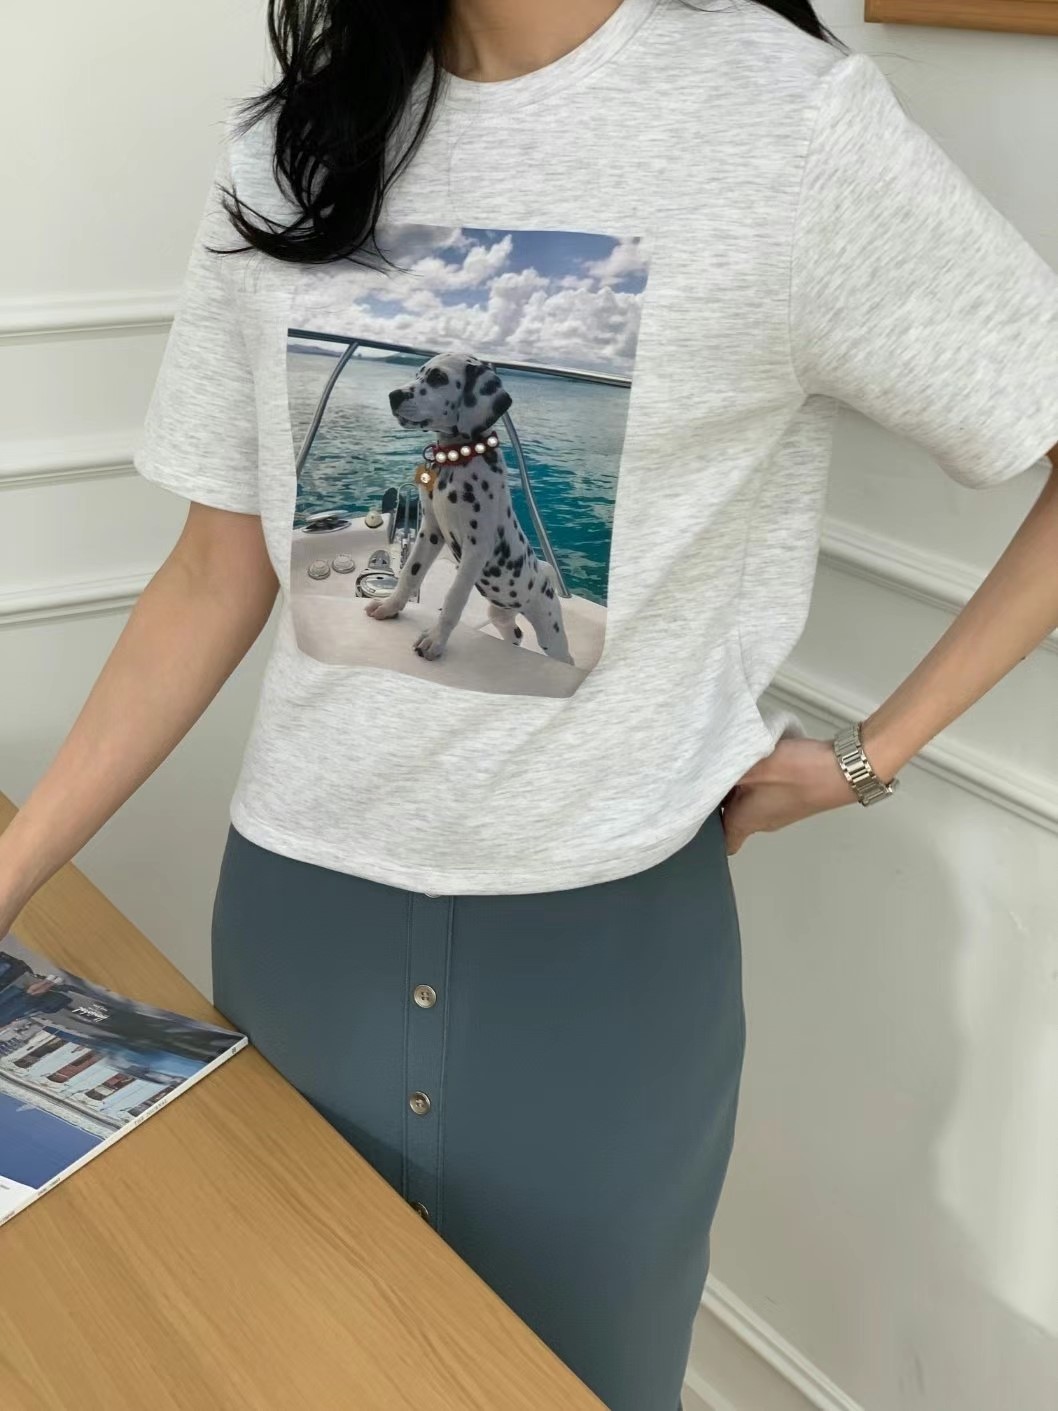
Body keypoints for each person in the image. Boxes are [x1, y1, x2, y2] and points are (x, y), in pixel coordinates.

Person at [1, 2, 1056, 1406]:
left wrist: (867, 757)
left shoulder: (785, 126)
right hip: (299, 920)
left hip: (598, 966)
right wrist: (12, 869)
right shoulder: (299, 144)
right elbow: (211, 573)